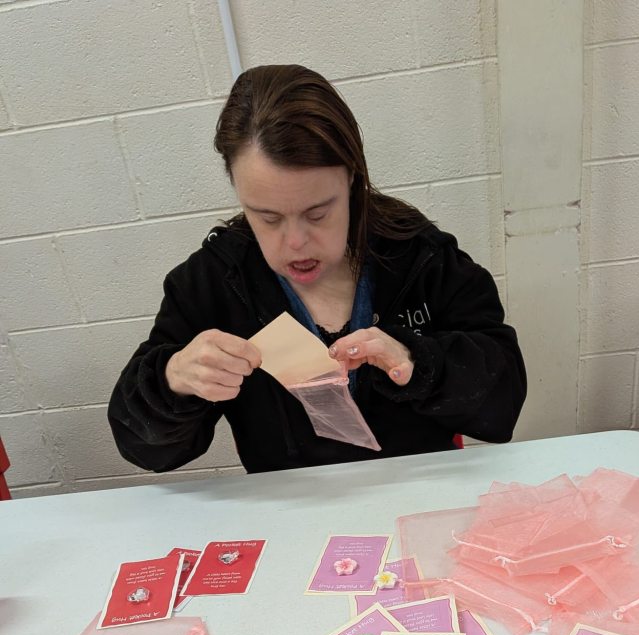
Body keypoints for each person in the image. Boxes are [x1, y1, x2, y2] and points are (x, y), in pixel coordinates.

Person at [108, 65, 526, 474]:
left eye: (318, 213)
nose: (295, 243)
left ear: (352, 180)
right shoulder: (211, 284)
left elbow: (503, 403)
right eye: (267, 218)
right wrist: (174, 380)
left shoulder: (421, 259)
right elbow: (144, 450)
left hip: (421, 493)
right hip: (291, 508)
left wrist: (415, 361)